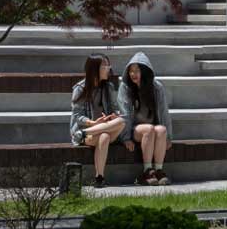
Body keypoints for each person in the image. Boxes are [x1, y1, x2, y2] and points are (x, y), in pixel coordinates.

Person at [118, 51, 174, 186]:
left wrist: (169, 137)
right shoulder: (125, 88)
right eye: (131, 71)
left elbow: (164, 111)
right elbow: (124, 113)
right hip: (135, 130)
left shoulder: (156, 87)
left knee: (161, 130)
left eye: (137, 70)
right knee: (149, 129)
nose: (133, 74)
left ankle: (159, 171)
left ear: (145, 71)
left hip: (153, 128)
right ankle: (147, 171)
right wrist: (126, 138)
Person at [69, 54, 125, 187]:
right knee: (104, 136)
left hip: (99, 128)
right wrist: (93, 123)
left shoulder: (108, 87)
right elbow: (77, 115)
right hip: (88, 131)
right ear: (95, 69)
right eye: (105, 66)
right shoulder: (80, 88)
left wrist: (112, 116)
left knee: (121, 121)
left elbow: (115, 109)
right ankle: (99, 177)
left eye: (108, 65)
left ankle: (82, 135)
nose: (108, 69)